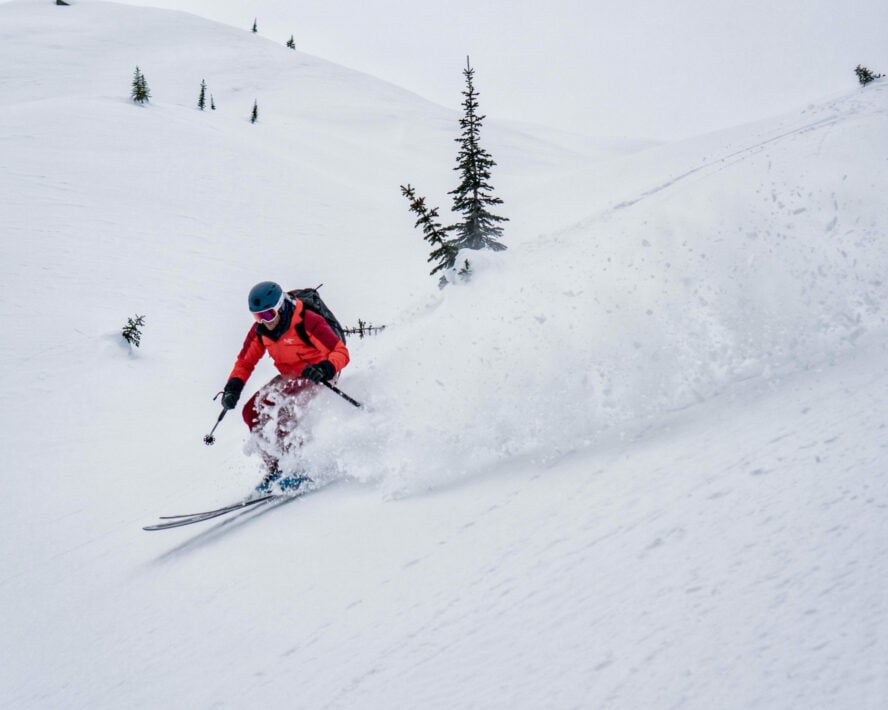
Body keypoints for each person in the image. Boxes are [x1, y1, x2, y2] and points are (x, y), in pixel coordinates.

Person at [219, 281, 350, 488]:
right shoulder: (260, 331)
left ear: (280, 306)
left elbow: (340, 352)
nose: (264, 321)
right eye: (258, 316)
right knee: (250, 412)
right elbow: (245, 362)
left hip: (319, 374)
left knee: (286, 409)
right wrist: (233, 388)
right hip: (291, 376)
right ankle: (276, 468)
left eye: (268, 314)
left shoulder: (308, 321)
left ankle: (298, 466)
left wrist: (324, 368)